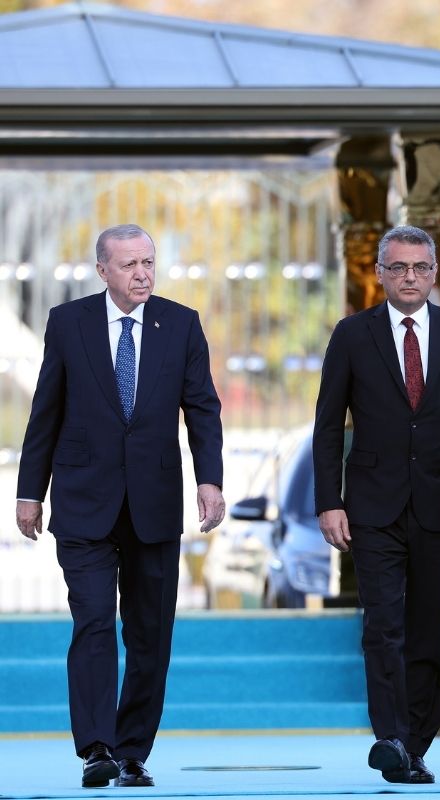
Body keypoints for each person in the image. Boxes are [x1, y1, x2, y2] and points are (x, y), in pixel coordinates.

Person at [14, 223, 225, 789]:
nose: (142, 274)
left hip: (154, 503)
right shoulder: (68, 323)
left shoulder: (181, 324)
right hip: (84, 502)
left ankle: (132, 750)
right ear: (102, 269)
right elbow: (46, 411)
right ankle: (96, 749)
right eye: (129, 264)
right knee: (93, 623)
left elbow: (202, 409)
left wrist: (210, 480)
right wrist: (30, 491)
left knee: (150, 634)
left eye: (148, 262)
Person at [312, 224, 440, 785]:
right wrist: (329, 502)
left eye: (419, 267)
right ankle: (391, 737)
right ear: (380, 274)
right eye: (398, 268)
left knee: (426, 627)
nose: (409, 277)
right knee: (383, 625)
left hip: (439, 505)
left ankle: (417, 742)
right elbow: (328, 426)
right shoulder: (352, 335)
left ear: (434, 273)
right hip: (371, 507)